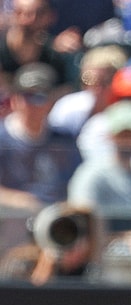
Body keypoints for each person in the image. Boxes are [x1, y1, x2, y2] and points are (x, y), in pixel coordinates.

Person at [0, 62, 81, 210]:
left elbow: (79, 182)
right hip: (9, 221)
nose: (33, 104)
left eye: (40, 96)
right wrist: (15, 199)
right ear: (14, 99)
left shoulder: (64, 140)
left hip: (56, 222)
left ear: (50, 102)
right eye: (27, 96)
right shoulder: (2, 138)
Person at [47, 44, 128, 137]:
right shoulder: (68, 107)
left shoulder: (130, 111)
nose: (97, 88)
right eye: (89, 81)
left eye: (105, 82)